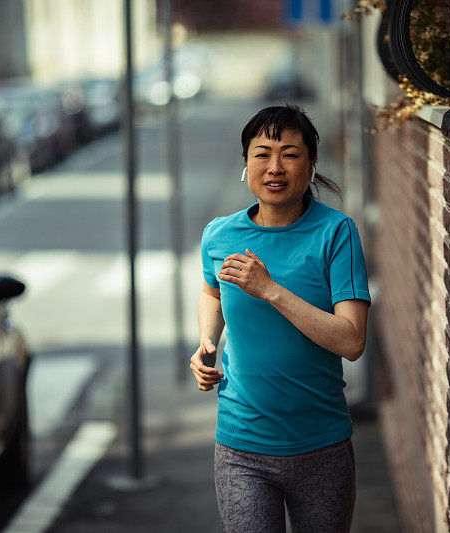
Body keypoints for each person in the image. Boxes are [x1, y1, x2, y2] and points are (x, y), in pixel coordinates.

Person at [191, 104, 371, 533]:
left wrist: (270, 290)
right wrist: (205, 344)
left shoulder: (336, 233)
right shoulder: (219, 234)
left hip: (321, 447)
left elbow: (351, 341)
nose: (275, 167)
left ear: (311, 165)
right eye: (262, 153)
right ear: (246, 163)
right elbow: (211, 293)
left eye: (290, 154)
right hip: (241, 447)